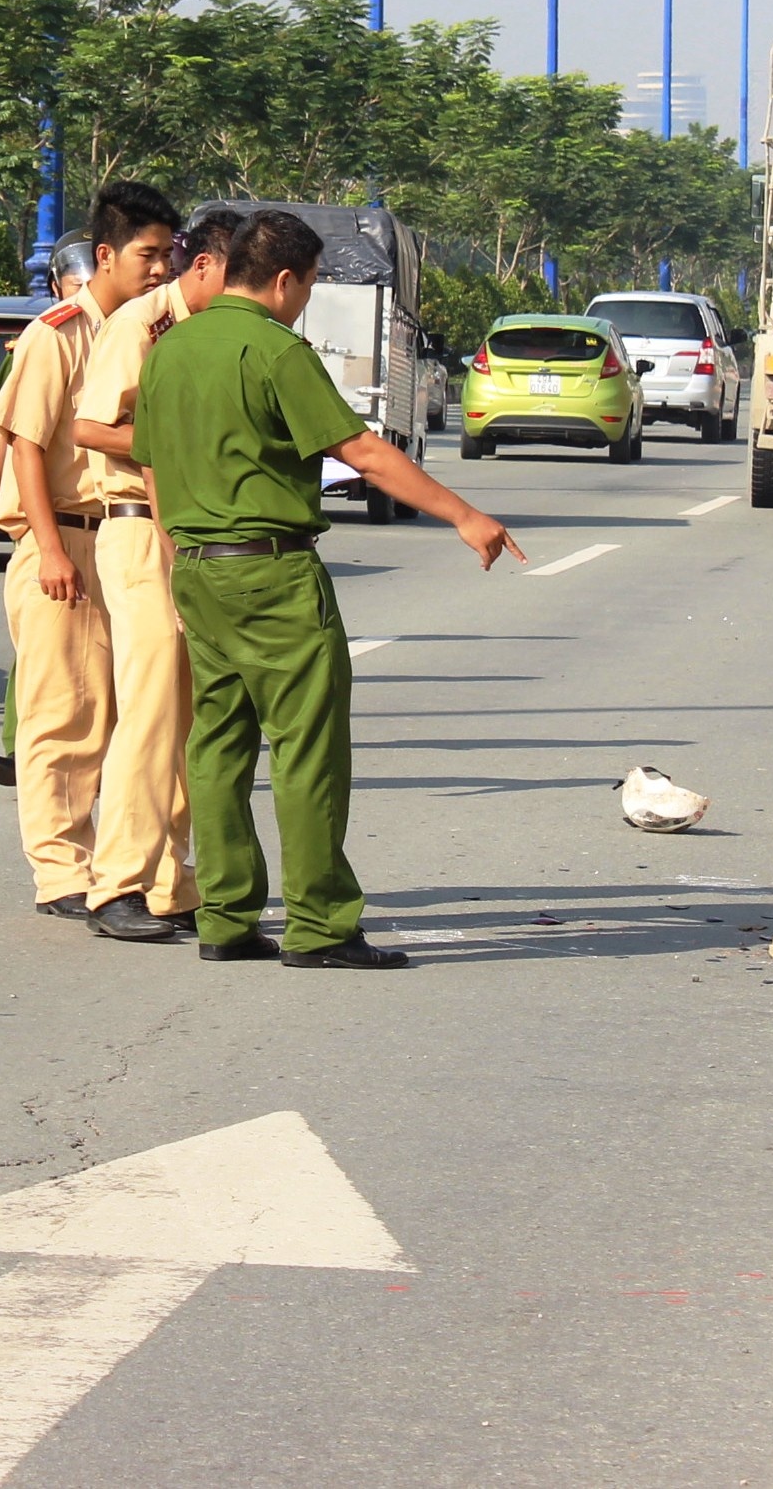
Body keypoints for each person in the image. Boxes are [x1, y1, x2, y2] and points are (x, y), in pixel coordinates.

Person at [133, 209, 522, 970]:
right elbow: (362, 451)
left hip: (199, 567)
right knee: (307, 747)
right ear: (285, 279)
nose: (303, 302)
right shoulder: (275, 350)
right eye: (307, 287)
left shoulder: (170, 348)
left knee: (217, 744)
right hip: (272, 571)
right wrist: (464, 514)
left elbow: (150, 463)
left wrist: (180, 553)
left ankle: (226, 916)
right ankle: (319, 925)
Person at [61, 207, 248, 943]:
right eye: (237, 277)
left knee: (185, 714)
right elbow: (89, 425)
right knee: (147, 713)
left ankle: (170, 881)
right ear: (206, 266)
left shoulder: (212, 329)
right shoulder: (140, 324)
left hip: (195, 531)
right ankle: (117, 884)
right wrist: (178, 442)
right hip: (140, 528)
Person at [0, 195, 174, 917]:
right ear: (105, 255)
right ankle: (61, 871)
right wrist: (48, 549)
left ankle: (131, 869)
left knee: (134, 711)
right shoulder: (58, 333)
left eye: (168, 255)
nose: (159, 269)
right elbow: (26, 446)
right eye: (146, 255)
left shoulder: (154, 331)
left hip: (126, 534)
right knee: (63, 711)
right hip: (64, 535)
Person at [0, 240, 92, 788]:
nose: (84, 294)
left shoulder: (131, 337)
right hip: (48, 527)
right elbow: (12, 438)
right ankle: (22, 751)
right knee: (39, 654)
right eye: (75, 286)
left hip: (110, 525)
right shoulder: (43, 340)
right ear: (55, 286)